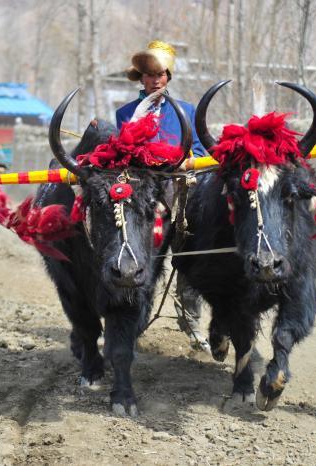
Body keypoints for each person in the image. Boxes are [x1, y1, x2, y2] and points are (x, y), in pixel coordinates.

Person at [116, 40, 210, 352]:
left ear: (168, 77)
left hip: (182, 197)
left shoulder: (187, 111)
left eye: (161, 74)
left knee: (189, 263)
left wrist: (187, 161)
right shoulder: (125, 114)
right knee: (141, 265)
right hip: (142, 201)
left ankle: (192, 325)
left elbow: (200, 150)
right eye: (150, 75)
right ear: (141, 77)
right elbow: (122, 156)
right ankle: (134, 323)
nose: (155, 80)